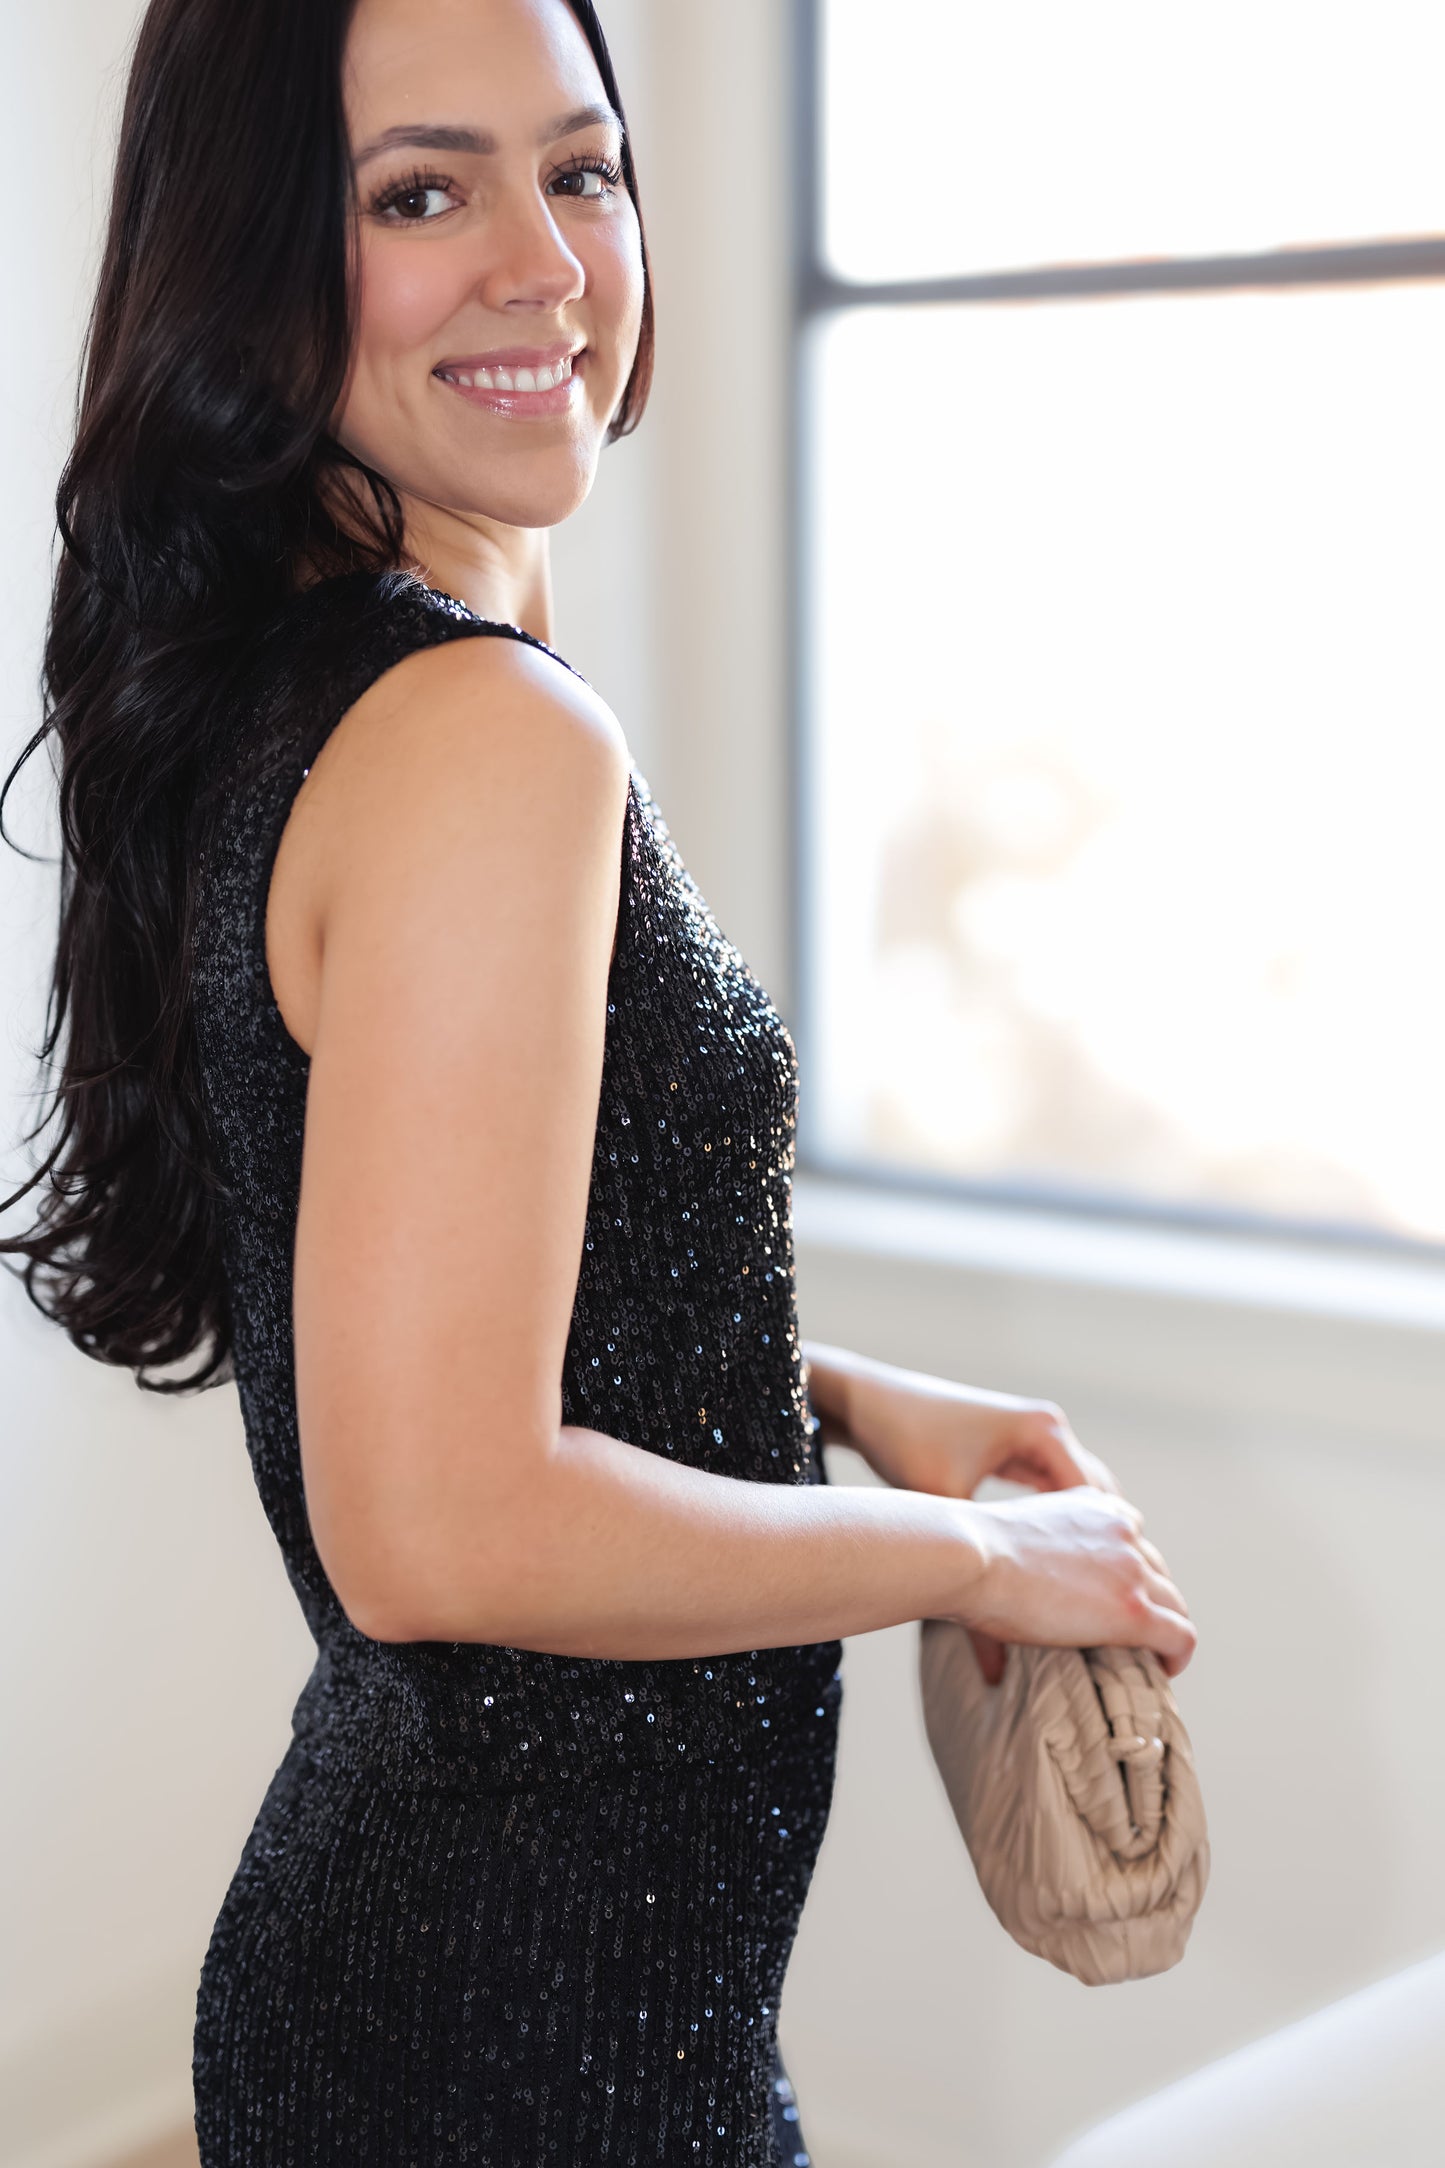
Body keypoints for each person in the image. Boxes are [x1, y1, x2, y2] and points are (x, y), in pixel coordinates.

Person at [0, 0, 1197, 2160]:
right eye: (421, 194)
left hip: (458, 2011)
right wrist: (966, 1555)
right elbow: (437, 1521)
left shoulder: (310, 683)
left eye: (581, 168)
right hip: (520, 2058)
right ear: (254, 255)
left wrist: (833, 1392)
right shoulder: (483, 737)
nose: (544, 261)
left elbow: (436, 1297)